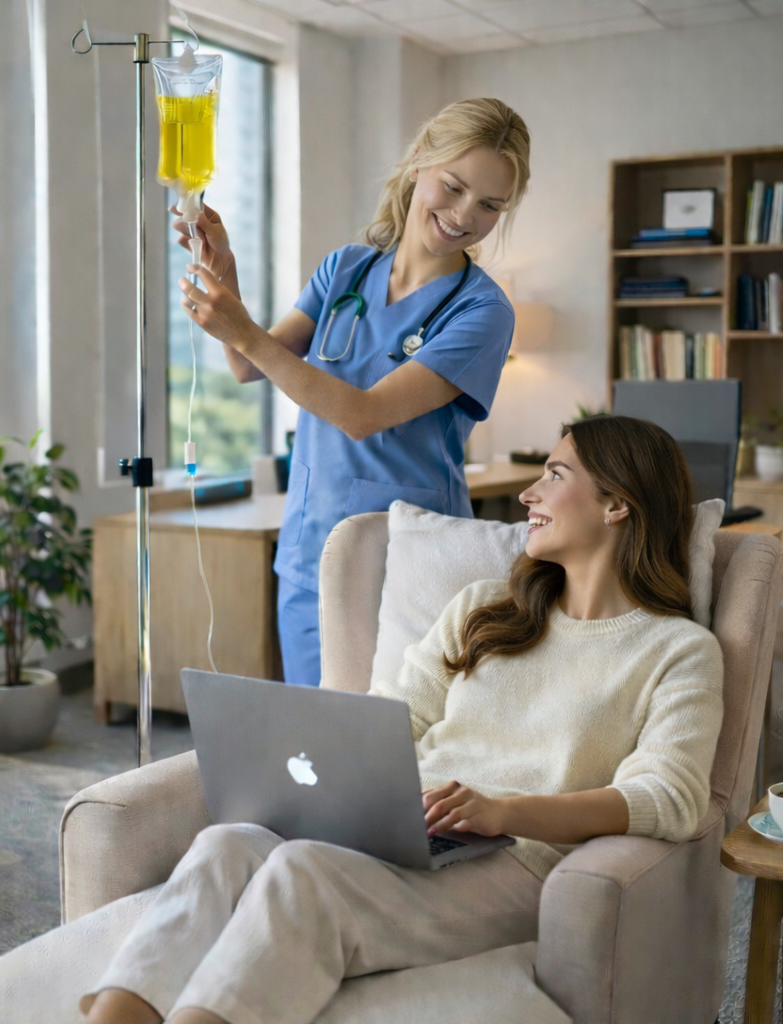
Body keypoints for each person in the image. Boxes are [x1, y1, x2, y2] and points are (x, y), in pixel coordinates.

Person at [79, 414, 725, 1024]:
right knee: (227, 843)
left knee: (303, 875)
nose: (529, 493)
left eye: (555, 476)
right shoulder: (484, 607)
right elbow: (394, 719)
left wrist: (505, 811)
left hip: (520, 862)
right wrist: (335, 787)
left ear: (618, 505)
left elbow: (669, 797)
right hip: (408, 831)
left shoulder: (675, 650)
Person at [174, 97, 531, 686]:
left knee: (391, 751)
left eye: (490, 205)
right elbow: (247, 365)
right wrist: (223, 273)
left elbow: (363, 414)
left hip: (410, 564)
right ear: (419, 162)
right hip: (310, 553)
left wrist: (240, 326)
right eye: (454, 186)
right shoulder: (345, 270)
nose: (465, 214)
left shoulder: (482, 311)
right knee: (314, 749)